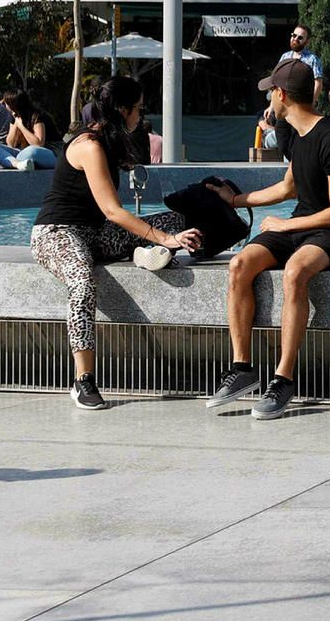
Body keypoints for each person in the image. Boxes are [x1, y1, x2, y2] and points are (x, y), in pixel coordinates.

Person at [28, 77, 204, 409]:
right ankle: (83, 380)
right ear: (123, 109)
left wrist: (170, 232)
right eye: (138, 108)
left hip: (95, 234)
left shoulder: (111, 140)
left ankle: (139, 251)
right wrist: (165, 240)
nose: (141, 114)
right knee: (82, 283)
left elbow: (113, 213)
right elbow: (113, 209)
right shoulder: (89, 145)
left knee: (175, 220)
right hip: (57, 233)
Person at [206, 58, 330, 420]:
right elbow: (287, 187)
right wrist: (235, 199)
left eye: (270, 93)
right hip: (301, 227)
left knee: (295, 272)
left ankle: (283, 378)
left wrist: (285, 226)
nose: (269, 100)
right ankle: (242, 368)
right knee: (240, 264)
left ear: (281, 94)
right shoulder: (294, 135)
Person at [0, 89, 60, 170]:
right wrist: (16, 124)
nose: (4, 105)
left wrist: (21, 126)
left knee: (30, 152)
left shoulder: (36, 115)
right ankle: (16, 164)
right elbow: (10, 144)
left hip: (51, 152)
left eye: (6, 103)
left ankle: (5, 162)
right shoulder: (14, 116)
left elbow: (39, 144)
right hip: (23, 153)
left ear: (13, 105)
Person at [276, 23, 326, 108]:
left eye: (300, 38)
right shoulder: (285, 57)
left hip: (303, 106)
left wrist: (311, 103)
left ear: (307, 41)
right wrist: (272, 106)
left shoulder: (313, 59)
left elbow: (318, 83)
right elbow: (277, 81)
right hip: (285, 105)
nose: (295, 39)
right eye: (294, 35)